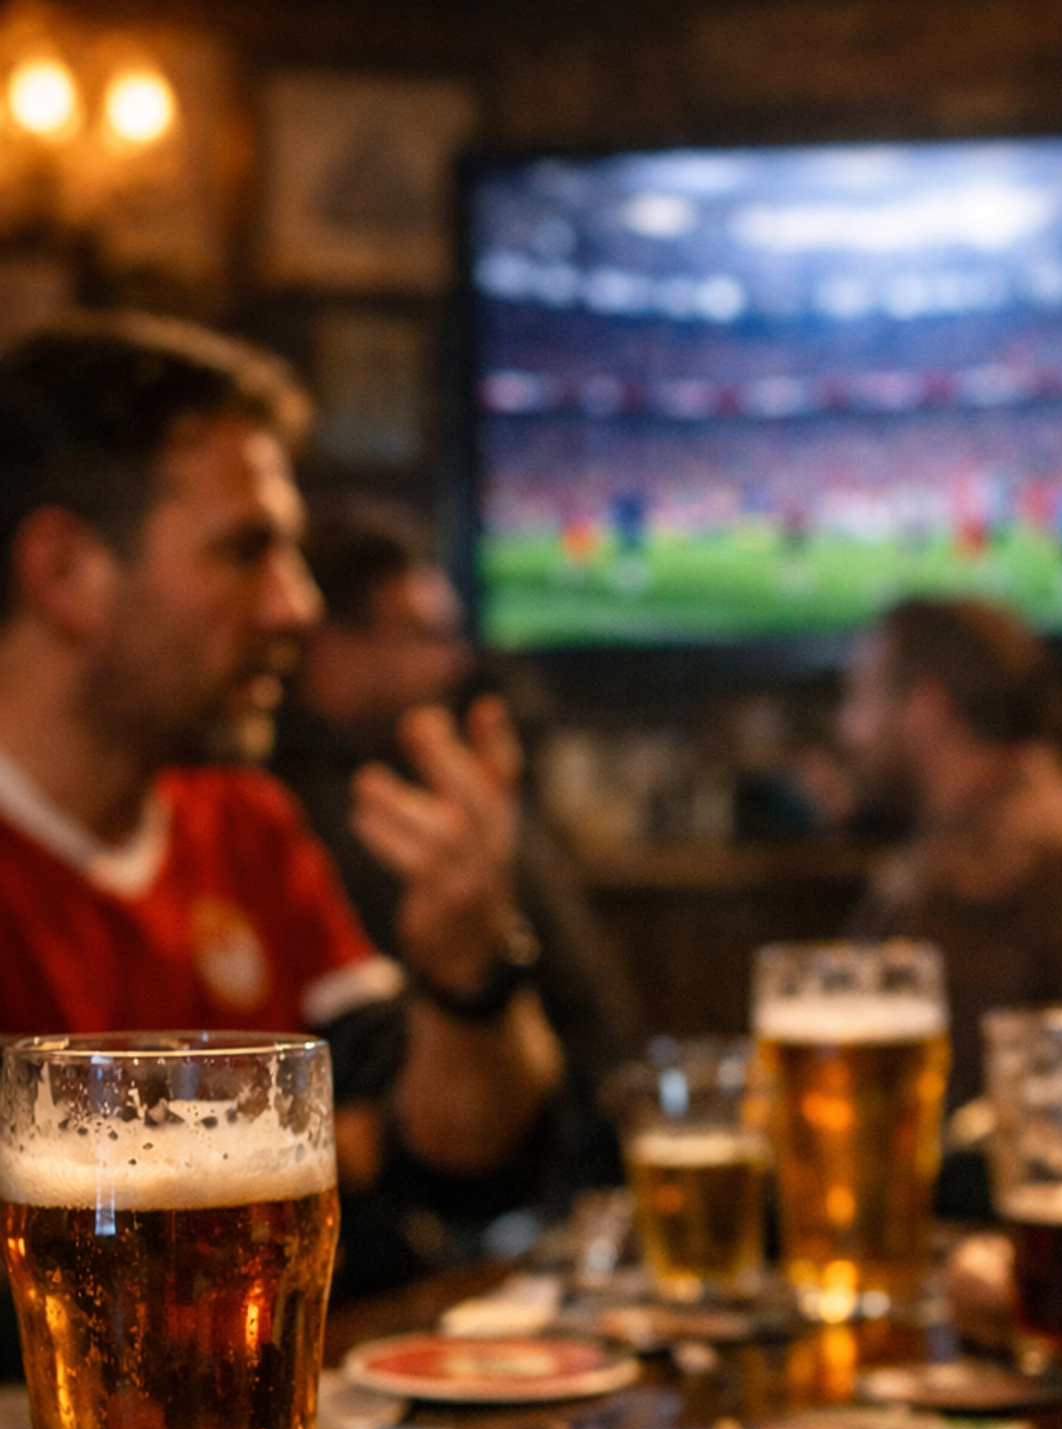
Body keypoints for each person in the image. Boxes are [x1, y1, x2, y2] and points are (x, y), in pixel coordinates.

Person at [0, 313, 563, 1297]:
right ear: (65, 573)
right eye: (246, 550)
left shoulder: (243, 821)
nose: (297, 607)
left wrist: (470, 964)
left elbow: (457, 1150)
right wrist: (337, 1148)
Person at [269, 499, 638, 1239]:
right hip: (512, 1215)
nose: (458, 659)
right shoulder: (315, 812)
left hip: (559, 1178)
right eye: (425, 635)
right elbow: (402, 1138)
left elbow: (429, 1130)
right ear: (332, 649)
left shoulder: (419, 788)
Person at [840, 597, 1062, 1111]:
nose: (847, 729)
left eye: (860, 698)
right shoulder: (1025, 821)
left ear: (926, 706)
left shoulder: (1009, 863)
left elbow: (948, 1110)